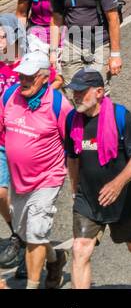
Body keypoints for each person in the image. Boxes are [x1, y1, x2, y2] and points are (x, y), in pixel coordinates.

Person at [63, 68, 131, 289]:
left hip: (124, 197)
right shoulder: (72, 120)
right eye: (73, 92)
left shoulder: (120, 116)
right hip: (88, 197)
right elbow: (73, 157)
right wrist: (75, 189)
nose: (75, 96)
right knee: (80, 249)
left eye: (81, 92)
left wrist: (117, 184)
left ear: (99, 92)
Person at [0, 44, 71, 287]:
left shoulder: (58, 104)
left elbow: (74, 144)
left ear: (44, 77)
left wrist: (80, 183)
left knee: (35, 234)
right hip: (19, 182)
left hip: (47, 179)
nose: (23, 80)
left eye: (30, 77)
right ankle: (55, 258)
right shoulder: (9, 96)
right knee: (26, 232)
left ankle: (33, 284)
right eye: (21, 75)